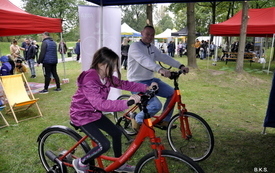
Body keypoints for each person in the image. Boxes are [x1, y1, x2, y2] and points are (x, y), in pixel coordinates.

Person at [70, 47, 157, 173]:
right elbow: (100, 104)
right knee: (104, 145)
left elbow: (124, 84)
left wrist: (145, 87)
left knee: (116, 133)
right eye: (113, 65)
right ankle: (81, 162)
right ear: (101, 64)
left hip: (94, 114)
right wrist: (126, 102)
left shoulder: (106, 76)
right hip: (81, 115)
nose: (116, 69)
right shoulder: (90, 79)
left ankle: (119, 164)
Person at [127, 25, 189, 130]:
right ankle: (137, 118)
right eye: (147, 34)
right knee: (156, 105)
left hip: (151, 81)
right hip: (136, 82)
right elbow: (143, 60)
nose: (150, 37)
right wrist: (160, 69)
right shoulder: (135, 46)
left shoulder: (152, 47)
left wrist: (180, 66)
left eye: (152, 35)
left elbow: (163, 57)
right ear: (142, 33)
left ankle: (164, 121)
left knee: (173, 94)